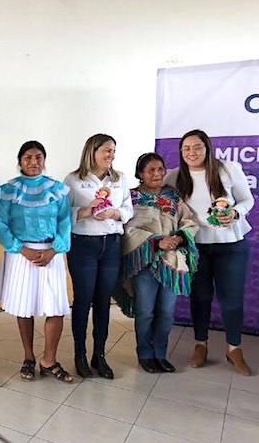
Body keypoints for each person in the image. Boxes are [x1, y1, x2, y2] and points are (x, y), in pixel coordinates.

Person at [165, 129, 254, 375]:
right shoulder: (174, 177)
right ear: (181, 152)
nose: (191, 153)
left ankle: (234, 349)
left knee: (231, 299)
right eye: (186, 149)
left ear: (207, 147)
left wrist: (235, 213)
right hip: (196, 247)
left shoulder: (228, 169)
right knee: (200, 296)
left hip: (231, 245)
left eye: (197, 147)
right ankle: (200, 344)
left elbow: (247, 200)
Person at [0, 141, 73, 383]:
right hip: (21, 255)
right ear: (19, 161)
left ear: (44, 160)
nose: (33, 162)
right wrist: (22, 249)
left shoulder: (57, 189)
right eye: (28, 157)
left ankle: (49, 359)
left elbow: (65, 223)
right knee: (24, 307)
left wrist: (54, 250)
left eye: (38, 157)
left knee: (56, 308)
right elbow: (1, 225)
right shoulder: (8, 190)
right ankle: (28, 356)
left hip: (51, 253)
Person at [117, 153, 199, 373]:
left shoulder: (173, 196)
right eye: (151, 170)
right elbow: (127, 229)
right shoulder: (131, 198)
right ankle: (144, 353)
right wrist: (156, 242)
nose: (157, 174)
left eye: (160, 169)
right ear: (140, 174)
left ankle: (160, 353)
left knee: (166, 312)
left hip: (171, 262)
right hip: (144, 262)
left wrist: (179, 237)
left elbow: (190, 221)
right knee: (145, 312)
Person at [64, 134, 133, 379]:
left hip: (111, 245)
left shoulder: (119, 179)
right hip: (83, 245)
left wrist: (114, 213)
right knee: (83, 300)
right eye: (106, 150)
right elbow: (64, 213)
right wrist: (85, 210)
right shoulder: (73, 179)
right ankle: (80, 354)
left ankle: (99, 355)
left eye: (113, 151)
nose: (111, 155)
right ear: (92, 151)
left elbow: (127, 210)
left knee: (104, 302)